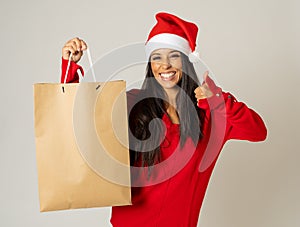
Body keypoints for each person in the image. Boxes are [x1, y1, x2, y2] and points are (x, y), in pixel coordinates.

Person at [61, 12, 267, 227]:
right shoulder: (133, 103)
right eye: (157, 57)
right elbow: (83, 116)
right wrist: (70, 69)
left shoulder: (211, 115)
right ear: (150, 64)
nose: (165, 65)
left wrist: (218, 100)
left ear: (186, 61)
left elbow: (258, 132)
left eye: (174, 56)